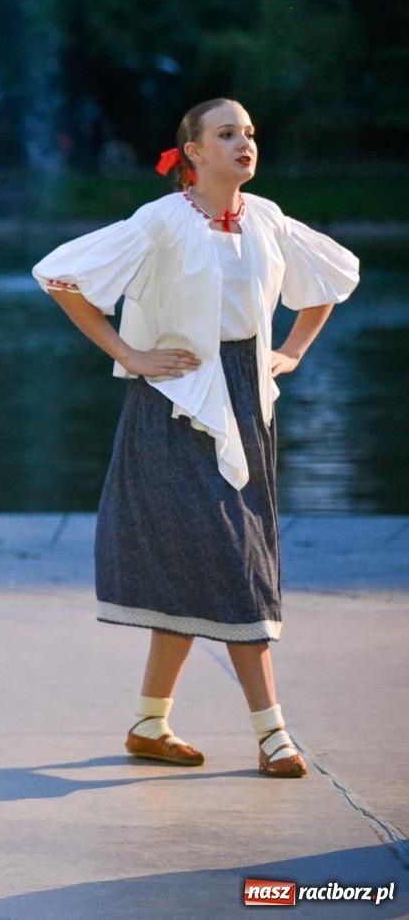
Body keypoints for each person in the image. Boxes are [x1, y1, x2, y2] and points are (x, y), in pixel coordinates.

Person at [33, 97, 359, 778]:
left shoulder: (265, 218)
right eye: (226, 134)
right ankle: (273, 734)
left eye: (249, 133)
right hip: (175, 404)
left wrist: (292, 353)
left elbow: (329, 277)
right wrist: (130, 352)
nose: (244, 143)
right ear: (193, 154)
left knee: (208, 558)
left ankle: (150, 722)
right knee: (231, 557)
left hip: (244, 397)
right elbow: (62, 276)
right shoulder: (161, 221)